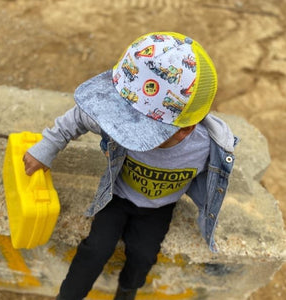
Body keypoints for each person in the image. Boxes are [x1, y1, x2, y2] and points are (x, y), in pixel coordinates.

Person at [23, 32, 238, 300]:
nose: (127, 130)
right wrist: (47, 147)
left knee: (144, 255)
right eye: (126, 120)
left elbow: (217, 176)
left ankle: (127, 291)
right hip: (118, 196)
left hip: (159, 207)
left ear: (186, 130)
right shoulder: (126, 114)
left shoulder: (208, 147)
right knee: (96, 249)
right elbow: (79, 116)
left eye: (144, 131)